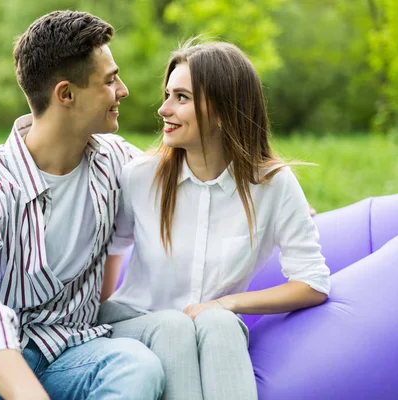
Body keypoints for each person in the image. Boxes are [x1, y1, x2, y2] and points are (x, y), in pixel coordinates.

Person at [0, 10, 166, 400]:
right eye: (110, 80)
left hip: (73, 352)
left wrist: (282, 207)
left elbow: (193, 189)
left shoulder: (118, 162)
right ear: (65, 94)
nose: (124, 90)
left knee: (137, 364)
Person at [99, 40, 331, 400]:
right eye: (167, 94)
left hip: (208, 327)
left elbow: (313, 282)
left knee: (220, 322)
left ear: (223, 110)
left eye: (182, 98)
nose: (163, 109)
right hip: (135, 322)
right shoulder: (140, 177)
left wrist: (227, 303)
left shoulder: (273, 185)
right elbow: (111, 250)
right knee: (175, 326)